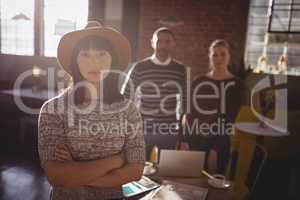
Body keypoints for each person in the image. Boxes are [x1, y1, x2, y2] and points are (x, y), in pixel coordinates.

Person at [38, 21, 146, 200]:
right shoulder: (53, 109)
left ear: (113, 59)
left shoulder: (128, 110)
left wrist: (75, 172)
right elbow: (57, 177)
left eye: (101, 54)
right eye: (85, 55)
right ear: (75, 61)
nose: (94, 62)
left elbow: (135, 171)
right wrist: (117, 160)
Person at [121, 27, 188, 160]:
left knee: (165, 168)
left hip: (169, 129)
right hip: (143, 129)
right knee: (139, 167)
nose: (163, 45)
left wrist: (182, 131)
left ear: (173, 43)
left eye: (167, 41)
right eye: (159, 41)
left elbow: (185, 100)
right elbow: (126, 95)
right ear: (152, 43)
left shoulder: (180, 70)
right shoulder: (140, 67)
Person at [179, 39, 245, 174]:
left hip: (219, 143)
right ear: (210, 57)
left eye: (223, 54)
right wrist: (184, 140)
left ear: (229, 57)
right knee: (190, 184)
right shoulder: (199, 81)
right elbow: (189, 114)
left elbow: (229, 120)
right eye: (215, 55)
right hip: (195, 140)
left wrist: (215, 150)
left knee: (213, 187)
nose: (219, 58)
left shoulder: (237, 85)